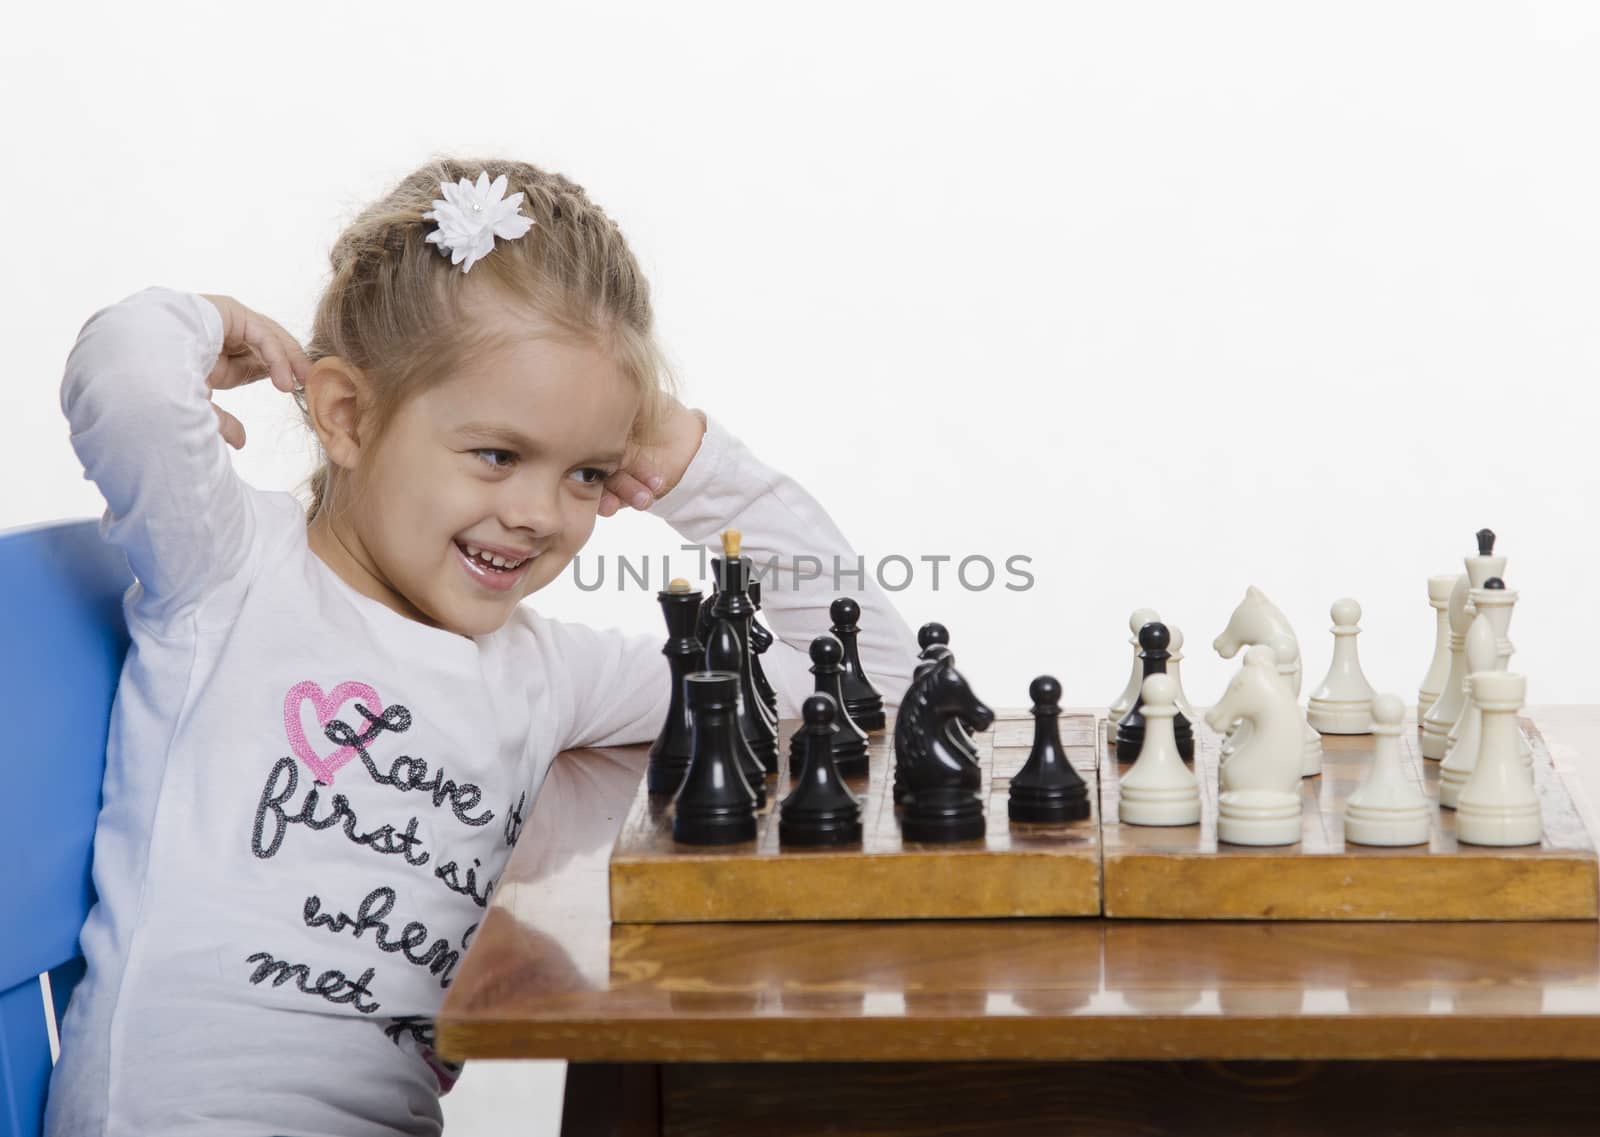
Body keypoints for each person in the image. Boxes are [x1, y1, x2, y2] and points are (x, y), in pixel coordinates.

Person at [47, 158, 918, 1136]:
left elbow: (864, 687)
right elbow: (124, 375)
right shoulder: (234, 572)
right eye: (498, 455)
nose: (539, 514)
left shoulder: (547, 674)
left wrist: (699, 469)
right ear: (347, 414)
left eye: (586, 473)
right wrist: (217, 324)